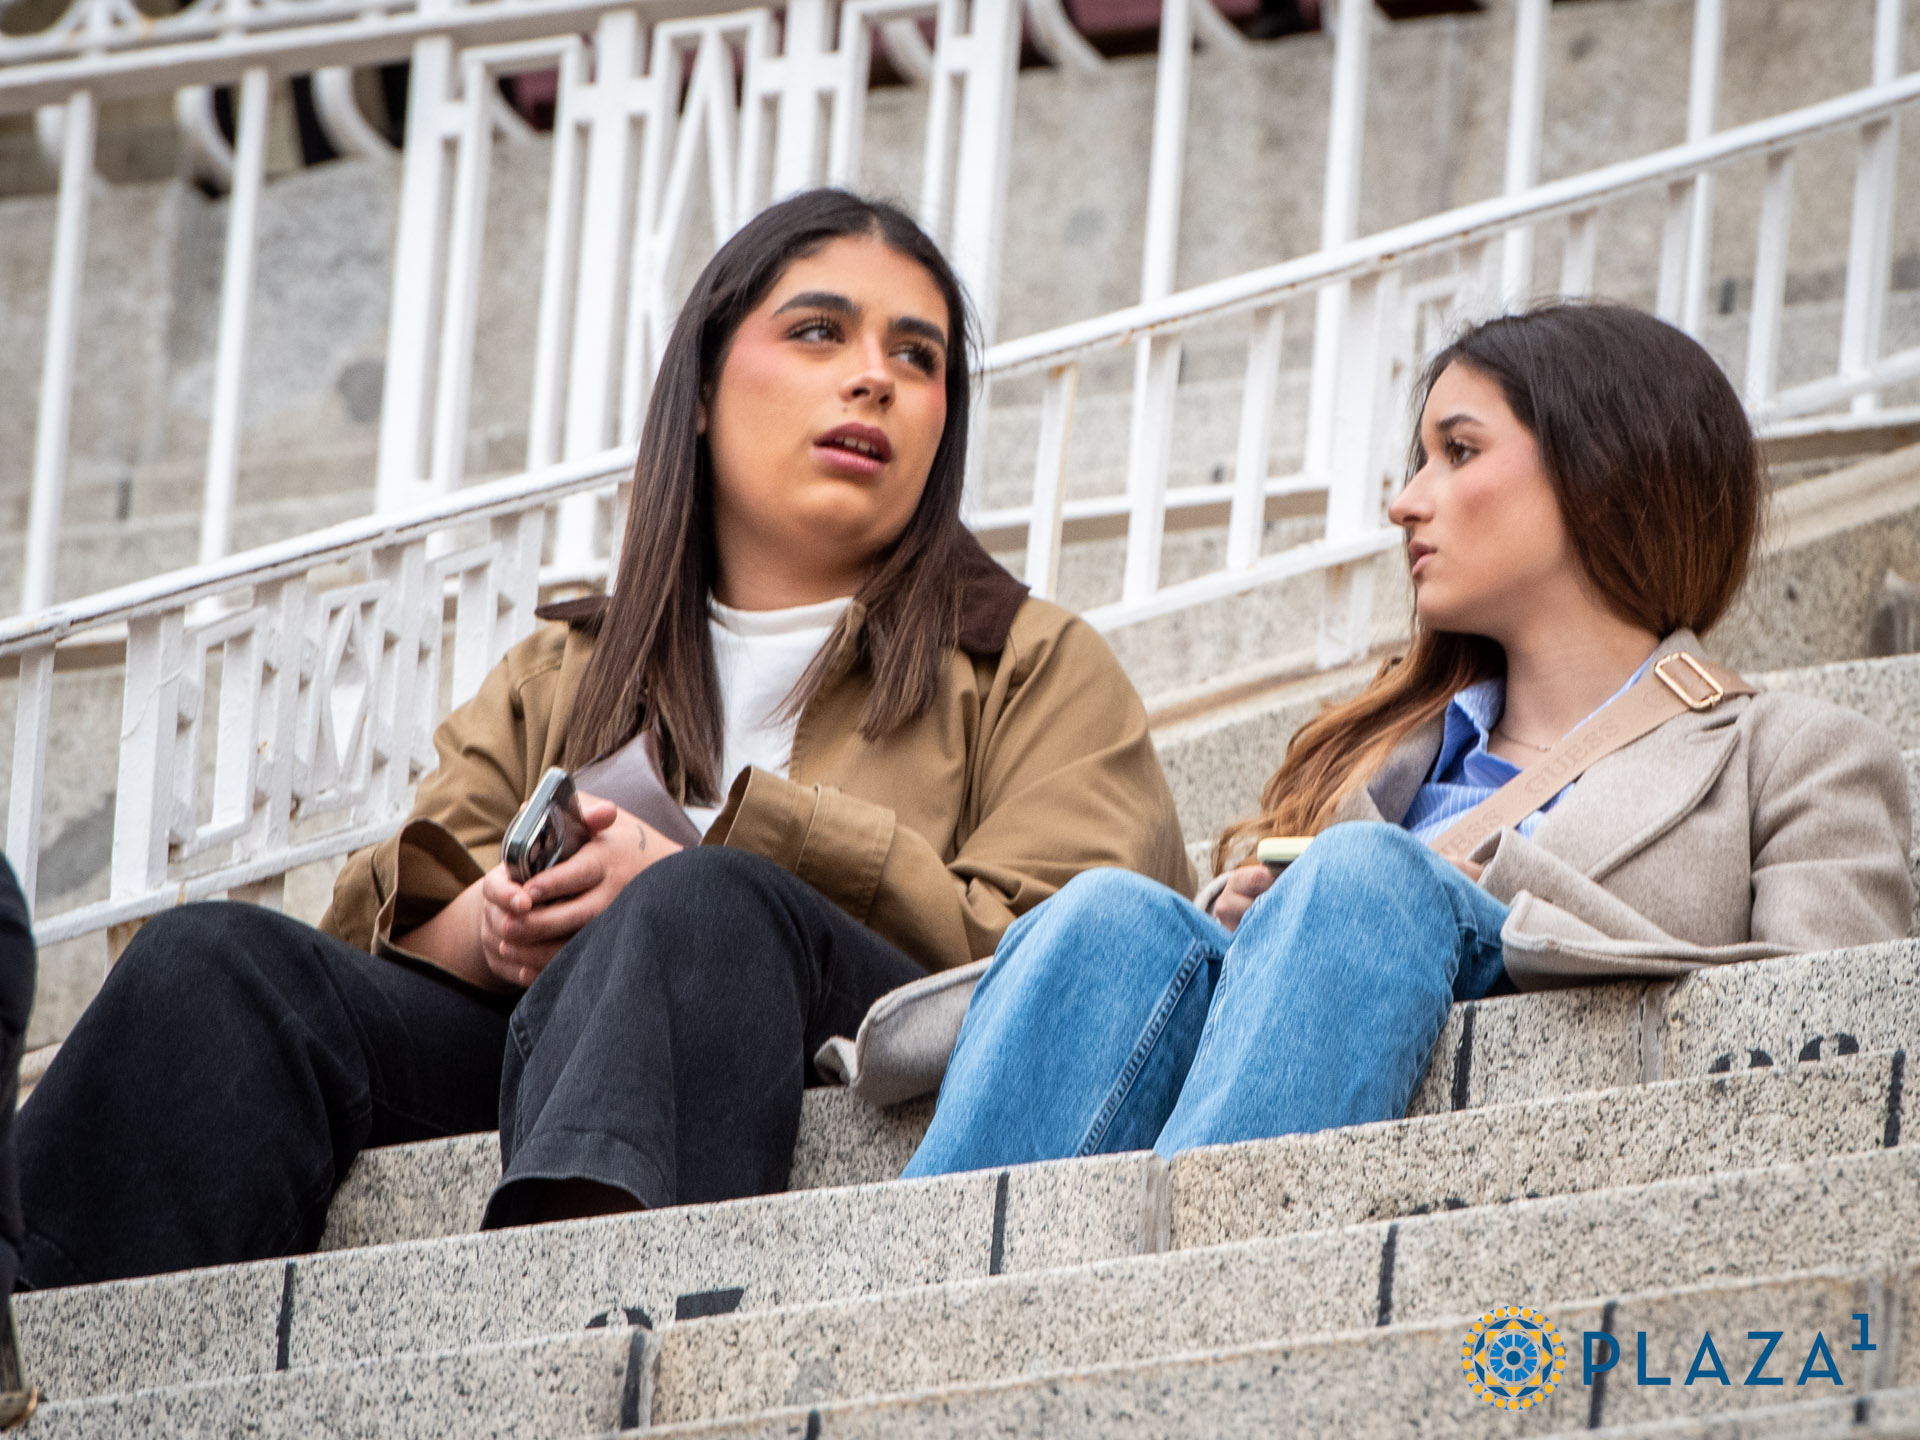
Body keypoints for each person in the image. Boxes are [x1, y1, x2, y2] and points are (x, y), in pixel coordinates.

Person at [19, 189, 1193, 1287]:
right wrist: (501, 923)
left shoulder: (1031, 663)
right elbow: (387, 914)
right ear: (702, 386)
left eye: (918, 357)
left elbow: (1091, 965)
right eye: (820, 332)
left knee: (700, 907)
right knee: (212, 966)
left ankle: (589, 1340)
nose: (873, 379)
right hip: (546, 1055)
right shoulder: (568, 668)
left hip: (854, 1061)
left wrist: (718, 865)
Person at [903, 301, 1913, 1177]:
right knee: (1113, 914)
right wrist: (1253, 918)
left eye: (1458, 452)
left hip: (1553, 1165)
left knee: (1364, 877)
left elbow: (1839, 1050)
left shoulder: (1800, 756)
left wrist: (1463, 892)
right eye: (1417, 460)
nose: (1404, 502)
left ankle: (1217, 1290)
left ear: (1605, 472)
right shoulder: (1373, 762)